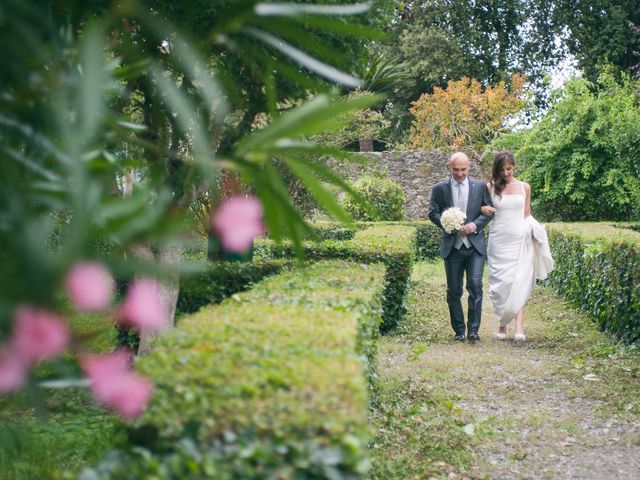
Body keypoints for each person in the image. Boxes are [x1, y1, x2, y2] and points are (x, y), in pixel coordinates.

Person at [481, 151, 554, 341]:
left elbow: (526, 215)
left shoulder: (525, 187)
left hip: (519, 240)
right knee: (500, 284)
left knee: (518, 281)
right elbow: (480, 207)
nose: (506, 173)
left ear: (514, 166)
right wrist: (483, 208)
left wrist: (536, 230)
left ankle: (519, 327)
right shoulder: (490, 187)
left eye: (509, 169)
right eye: (502, 170)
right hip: (498, 240)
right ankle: (502, 326)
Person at [428, 152, 493, 342]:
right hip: (452, 246)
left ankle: (473, 330)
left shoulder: (480, 187)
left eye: (463, 169)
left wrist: (475, 225)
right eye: (456, 170)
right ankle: (459, 330)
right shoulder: (439, 188)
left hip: (475, 247)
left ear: (468, 167)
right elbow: (433, 213)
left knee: (475, 286)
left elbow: (488, 211)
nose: (460, 174)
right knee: (454, 291)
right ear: (450, 167)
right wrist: (447, 223)